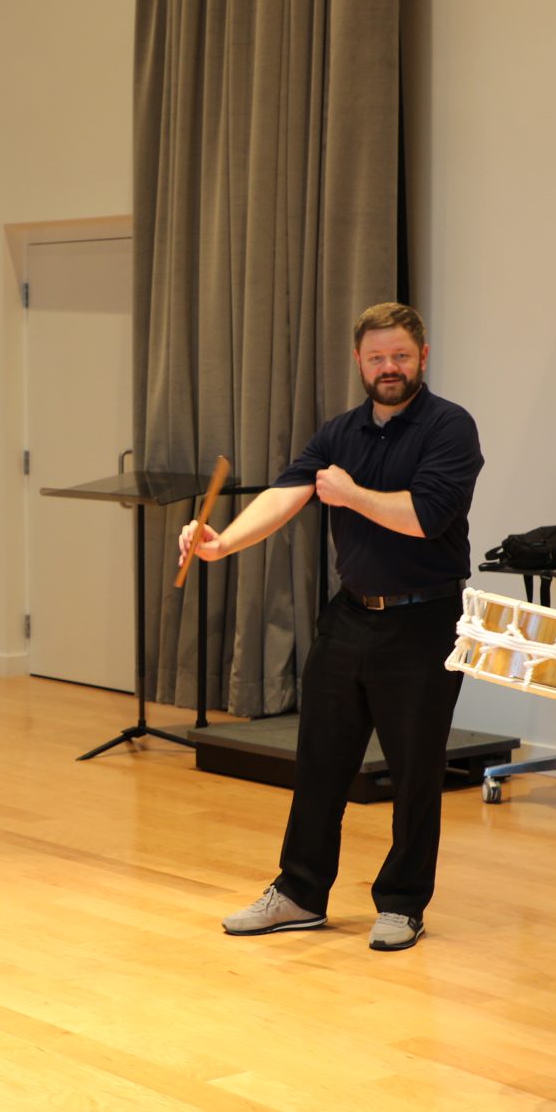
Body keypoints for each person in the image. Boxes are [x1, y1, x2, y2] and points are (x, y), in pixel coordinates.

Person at [181, 301, 484, 953]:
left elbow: (425, 517)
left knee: (414, 770)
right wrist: (222, 542)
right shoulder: (339, 432)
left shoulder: (450, 427)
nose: (388, 367)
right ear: (358, 362)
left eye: (400, 355)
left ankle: (402, 903)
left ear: (423, 357)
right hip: (350, 614)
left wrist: (351, 496)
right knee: (319, 761)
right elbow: (288, 492)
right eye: (376, 357)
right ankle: (299, 892)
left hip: (425, 619)